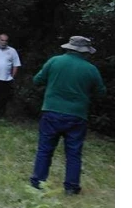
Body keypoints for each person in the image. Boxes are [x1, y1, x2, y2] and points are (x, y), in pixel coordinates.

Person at [30, 36, 107, 195]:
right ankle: (71, 187)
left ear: (69, 47)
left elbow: (37, 80)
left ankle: (38, 182)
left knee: (45, 149)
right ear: (85, 52)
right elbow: (101, 93)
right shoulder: (91, 69)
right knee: (73, 153)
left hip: (51, 111)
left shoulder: (54, 61)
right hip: (77, 116)